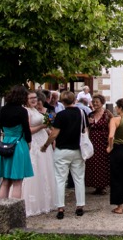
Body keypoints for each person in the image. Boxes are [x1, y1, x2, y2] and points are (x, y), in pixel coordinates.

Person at [40, 91, 86, 219]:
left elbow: (54, 134)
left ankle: (60, 208)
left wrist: (45, 145)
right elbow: (85, 130)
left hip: (62, 150)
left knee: (60, 179)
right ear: (74, 100)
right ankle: (80, 206)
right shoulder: (81, 113)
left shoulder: (60, 115)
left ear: (62, 102)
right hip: (77, 150)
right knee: (79, 178)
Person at [0, 85, 34, 199]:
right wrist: (29, 142)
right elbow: (26, 129)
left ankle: (1, 208)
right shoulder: (22, 111)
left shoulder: (1, 110)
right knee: (17, 181)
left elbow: (2, 128)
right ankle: (13, 210)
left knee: (5, 180)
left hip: (6, 143)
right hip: (18, 144)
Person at [22, 89, 57, 216]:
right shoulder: (26, 111)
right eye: (30, 98)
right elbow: (28, 130)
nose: (33, 100)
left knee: (44, 170)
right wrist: (43, 126)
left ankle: (45, 200)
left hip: (43, 142)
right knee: (35, 169)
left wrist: (48, 131)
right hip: (35, 143)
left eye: (34, 98)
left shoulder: (35, 110)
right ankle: (32, 202)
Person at [86, 94, 112, 195]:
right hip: (92, 141)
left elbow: (111, 128)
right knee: (92, 163)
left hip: (103, 141)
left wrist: (110, 143)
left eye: (97, 102)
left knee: (103, 163)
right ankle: (96, 186)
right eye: (93, 102)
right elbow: (87, 129)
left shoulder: (107, 114)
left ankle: (103, 186)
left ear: (102, 103)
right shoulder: (90, 115)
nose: (95, 103)